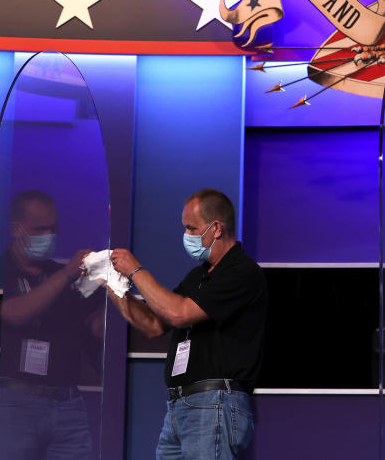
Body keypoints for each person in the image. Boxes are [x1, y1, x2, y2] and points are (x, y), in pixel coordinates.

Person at [108, 188, 267, 460]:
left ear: (216, 228)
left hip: (214, 404)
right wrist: (112, 283)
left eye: (192, 228)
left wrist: (135, 270)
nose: (187, 236)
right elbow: (153, 324)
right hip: (180, 405)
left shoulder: (242, 272)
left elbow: (179, 313)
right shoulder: (199, 275)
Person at [0, 190, 103, 460]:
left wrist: (112, 288)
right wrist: (68, 273)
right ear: (17, 230)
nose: (49, 235)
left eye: (53, 228)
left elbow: (95, 328)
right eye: (40, 229)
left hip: (68, 403)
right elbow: (15, 313)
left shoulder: (58, 273)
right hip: (14, 405)